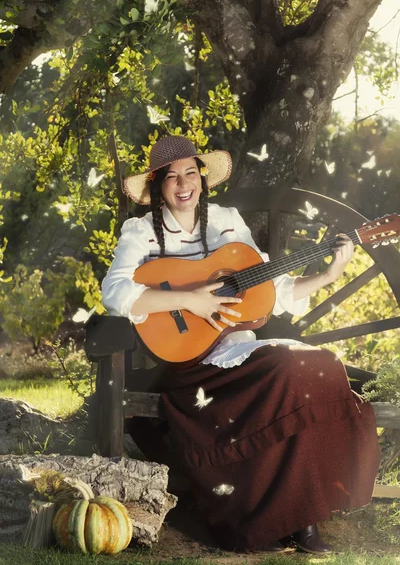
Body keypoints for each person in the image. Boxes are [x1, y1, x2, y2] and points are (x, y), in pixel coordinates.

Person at [102, 135, 380, 554]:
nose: (183, 184)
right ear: (158, 185)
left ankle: (301, 517)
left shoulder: (227, 220)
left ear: (202, 178)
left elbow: (273, 289)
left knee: (319, 368)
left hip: (240, 351)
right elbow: (115, 291)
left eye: (191, 173)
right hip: (189, 361)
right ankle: (266, 523)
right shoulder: (141, 231)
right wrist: (191, 300)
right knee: (289, 372)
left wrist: (328, 275)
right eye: (172, 176)